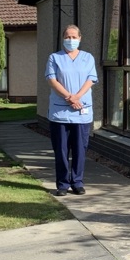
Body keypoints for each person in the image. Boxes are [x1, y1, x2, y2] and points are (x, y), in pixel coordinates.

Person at [45, 24, 98, 196]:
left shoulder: (88, 58)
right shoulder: (54, 58)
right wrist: (69, 97)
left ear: (80, 39)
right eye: (67, 37)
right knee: (61, 150)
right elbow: (52, 80)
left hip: (81, 111)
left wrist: (77, 98)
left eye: (74, 37)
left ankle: (77, 182)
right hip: (60, 113)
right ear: (62, 39)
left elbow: (91, 79)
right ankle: (62, 184)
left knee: (80, 150)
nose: (71, 40)